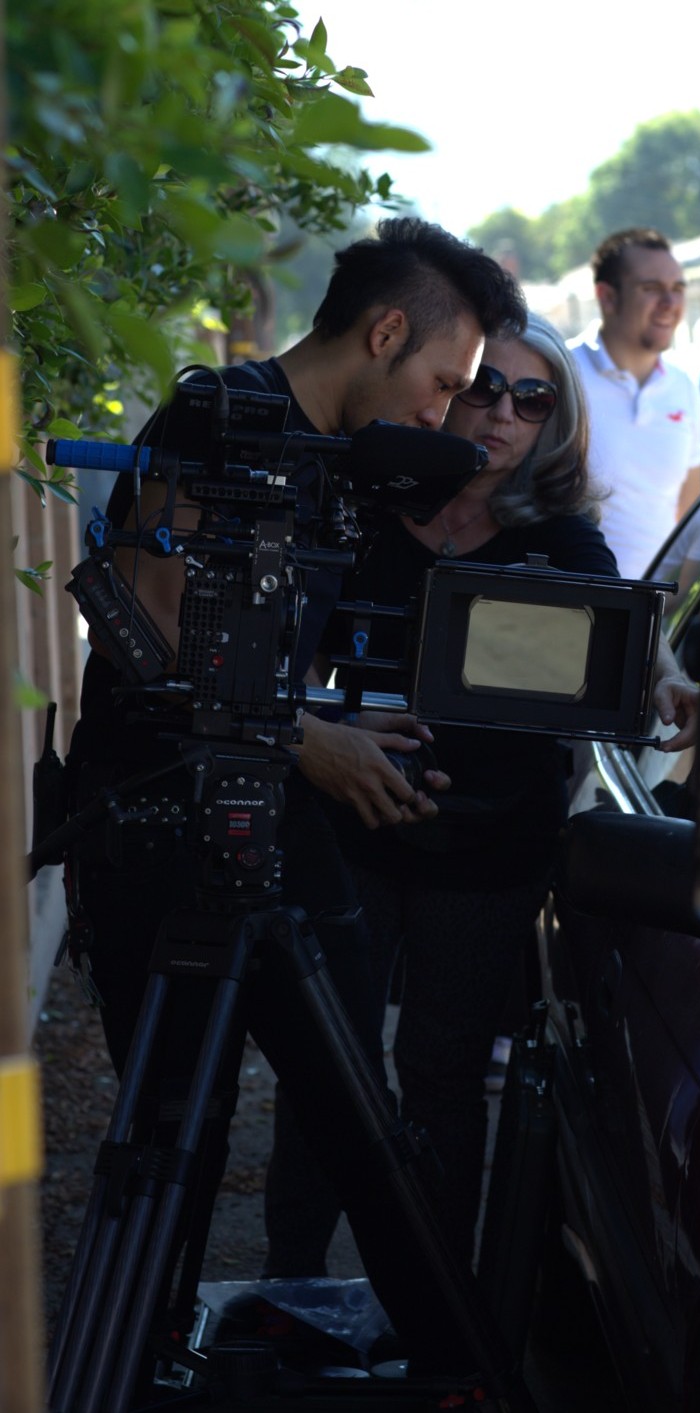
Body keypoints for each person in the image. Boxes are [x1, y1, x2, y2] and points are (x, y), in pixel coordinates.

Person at [61, 216, 528, 1376]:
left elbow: (242, 651)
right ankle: (145, 1358)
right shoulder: (218, 416)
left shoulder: (339, 458)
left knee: (361, 1105)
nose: (445, 412)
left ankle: (440, 1368)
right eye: (442, 382)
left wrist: (327, 720)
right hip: (158, 833)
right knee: (180, 1123)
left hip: (273, 813)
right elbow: (141, 634)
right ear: (382, 331)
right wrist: (310, 739)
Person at [266, 311, 700, 1278]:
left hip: (491, 844)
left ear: (557, 420)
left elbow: (623, 622)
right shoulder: (366, 504)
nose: (503, 412)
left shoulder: (560, 531)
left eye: (531, 396)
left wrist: (666, 678)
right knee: (324, 1064)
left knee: (443, 1073)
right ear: (448, 390)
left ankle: (430, 1312)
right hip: (353, 820)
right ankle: (284, 1289)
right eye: (484, 388)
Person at [569, 227, 700, 579]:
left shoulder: (684, 386)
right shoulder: (561, 372)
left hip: (654, 615)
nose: (670, 303)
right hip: (572, 610)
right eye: (651, 289)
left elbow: (686, 514)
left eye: (677, 289)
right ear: (608, 297)